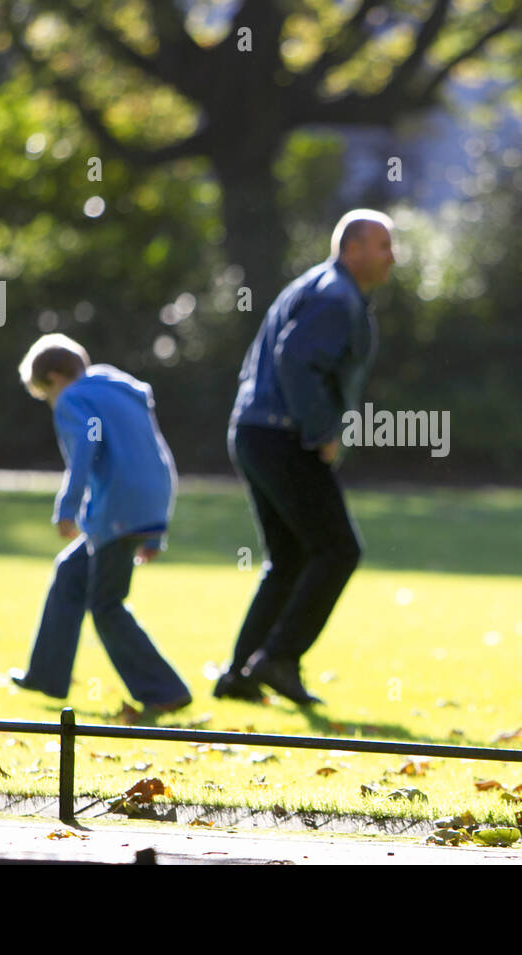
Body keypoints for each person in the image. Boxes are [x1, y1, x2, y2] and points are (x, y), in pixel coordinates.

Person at [215, 209, 395, 705]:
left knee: (291, 557)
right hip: (283, 436)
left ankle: (241, 674)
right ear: (352, 248)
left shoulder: (314, 286)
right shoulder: (335, 297)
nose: (392, 256)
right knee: (339, 549)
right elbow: (296, 360)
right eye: (383, 245)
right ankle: (278, 657)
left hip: (253, 431)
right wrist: (321, 432)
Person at [9, 333, 191, 720]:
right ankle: (45, 676)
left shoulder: (73, 398)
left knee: (106, 604)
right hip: (148, 501)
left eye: (45, 394)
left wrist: (67, 508)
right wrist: (156, 528)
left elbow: (84, 453)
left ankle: (165, 691)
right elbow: (155, 454)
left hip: (117, 508)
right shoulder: (121, 391)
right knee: (71, 572)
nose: (51, 403)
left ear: (56, 379)